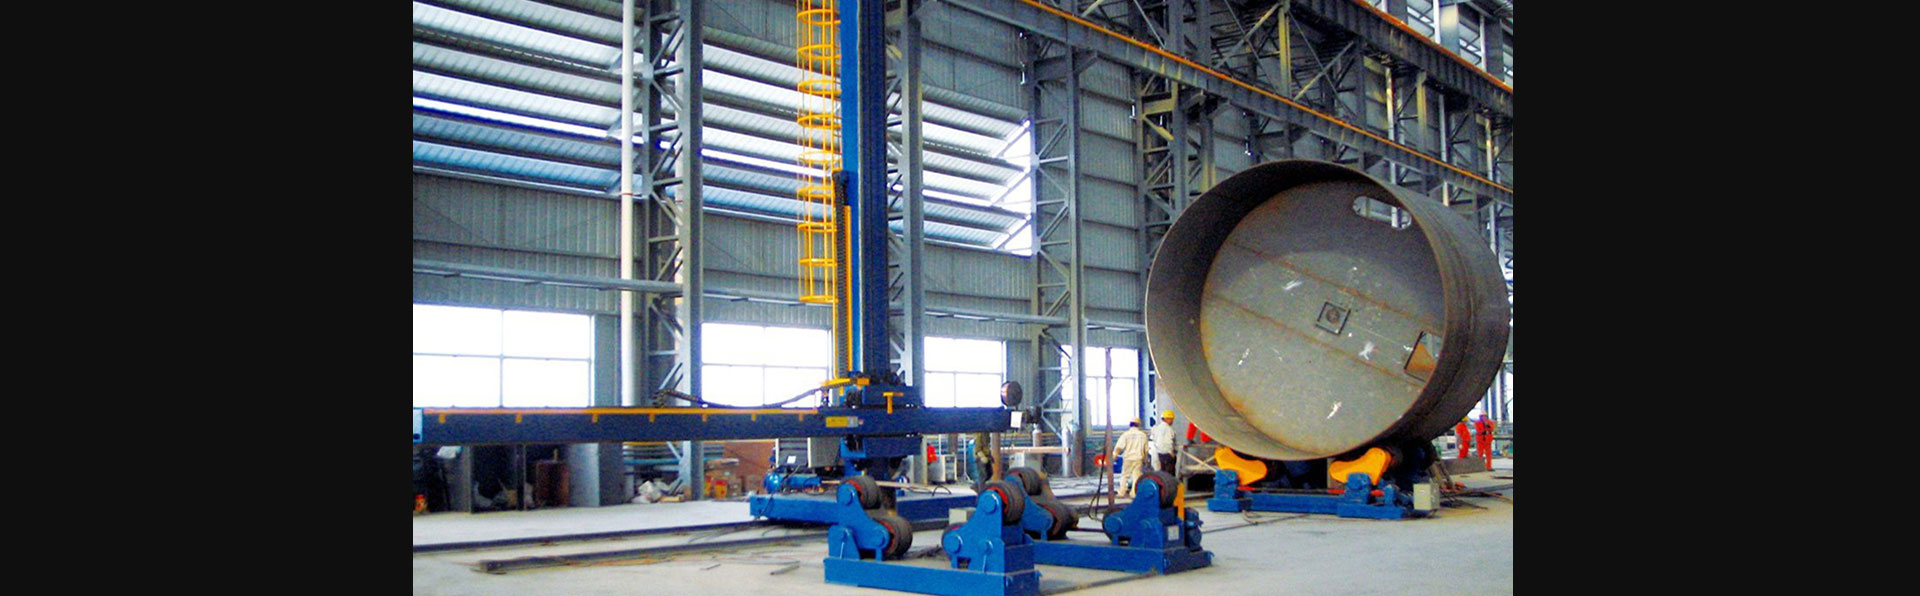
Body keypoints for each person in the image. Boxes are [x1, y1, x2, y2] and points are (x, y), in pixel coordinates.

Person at [1113, 419, 1149, 498]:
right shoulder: (1143, 435)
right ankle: (1134, 493)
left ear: (1130, 425)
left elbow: (1119, 447)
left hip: (1128, 458)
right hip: (1138, 458)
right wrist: (1146, 460)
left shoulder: (1126, 434)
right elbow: (1146, 450)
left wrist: (1115, 456)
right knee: (1136, 476)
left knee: (1124, 475)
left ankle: (1122, 492)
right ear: (1139, 425)